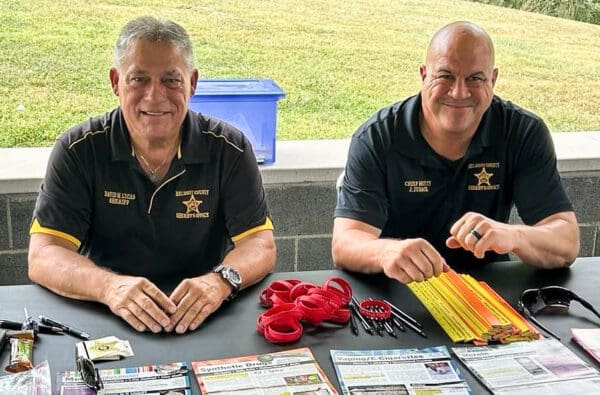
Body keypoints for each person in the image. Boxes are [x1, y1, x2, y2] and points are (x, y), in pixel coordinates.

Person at [28, 16, 276, 334]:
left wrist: (220, 281)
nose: (154, 96)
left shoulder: (230, 147)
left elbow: (260, 244)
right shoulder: (79, 149)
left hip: (203, 314)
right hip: (104, 313)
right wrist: (109, 287)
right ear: (116, 82)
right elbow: (44, 254)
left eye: (171, 80)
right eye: (139, 79)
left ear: (193, 83)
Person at [332, 21, 579, 284]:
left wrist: (514, 236)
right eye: (445, 76)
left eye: (475, 78)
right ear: (424, 75)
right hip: (398, 292)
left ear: (493, 79)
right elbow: (345, 244)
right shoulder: (378, 136)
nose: (459, 92)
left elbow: (567, 242)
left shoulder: (522, 132)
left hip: (488, 295)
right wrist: (386, 251)